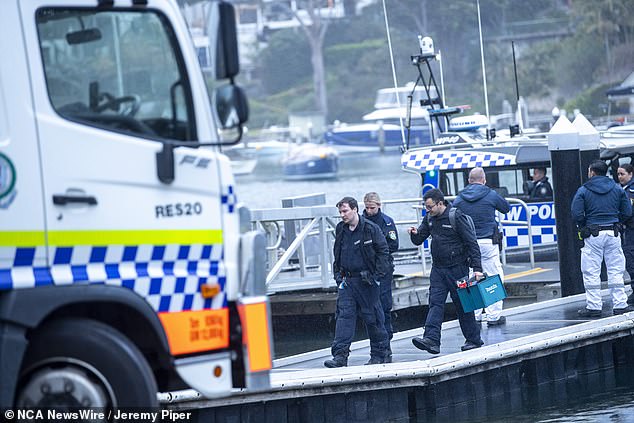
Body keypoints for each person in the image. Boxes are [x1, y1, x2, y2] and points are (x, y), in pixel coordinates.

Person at [407, 189, 484, 354]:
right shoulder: (429, 218)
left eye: (430, 207)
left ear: (440, 203)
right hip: (438, 269)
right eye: (426, 207)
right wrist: (414, 234)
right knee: (435, 303)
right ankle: (432, 340)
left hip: (458, 268)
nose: (428, 210)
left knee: (464, 305)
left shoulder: (456, 217)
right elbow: (419, 238)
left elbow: (472, 243)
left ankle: (474, 339)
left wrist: (477, 269)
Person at [324, 197, 390, 368]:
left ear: (354, 209)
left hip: (367, 281)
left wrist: (377, 277)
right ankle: (340, 356)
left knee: (373, 318)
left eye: (345, 211)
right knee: (344, 317)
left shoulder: (370, 229)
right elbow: (337, 252)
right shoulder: (341, 229)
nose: (342, 215)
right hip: (347, 281)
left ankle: (379, 354)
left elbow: (384, 252)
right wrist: (338, 276)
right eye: (340, 212)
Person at [571, 160, 633, 317]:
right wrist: (617, 222)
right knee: (616, 270)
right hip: (613, 233)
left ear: (591, 172)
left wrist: (584, 225)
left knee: (591, 271)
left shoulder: (584, 190)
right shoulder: (617, 189)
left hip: (593, 235)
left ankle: (594, 306)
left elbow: (576, 213)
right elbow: (627, 212)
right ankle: (620, 304)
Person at [453, 167, 511, 326]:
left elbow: (452, 213)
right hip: (488, 242)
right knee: (493, 276)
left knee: (472, 277)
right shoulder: (490, 194)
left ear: (469, 181)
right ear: (484, 180)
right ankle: (493, 317)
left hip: (469, 244)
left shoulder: (460, 198)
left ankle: (475, 316)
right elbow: (506, 208)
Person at [363, 192, 399, 362]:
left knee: (384, 306)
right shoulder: (360, 222)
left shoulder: (387, 222)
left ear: (379, 206)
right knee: (369, 310)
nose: (369, 211)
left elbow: (393, 244)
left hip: (383, 268)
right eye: (367, 208)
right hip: (366, 270)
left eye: (372, 207)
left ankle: (387, 345)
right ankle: (376, 348)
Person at [617, 163, 634, 304]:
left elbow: (628, 211)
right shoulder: (622, 189)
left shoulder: (631, 191)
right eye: (618, 174)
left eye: (622, 174)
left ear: (630, 174)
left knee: (631, 260)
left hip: (631, 229)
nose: (620, 177)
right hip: (627, 230)